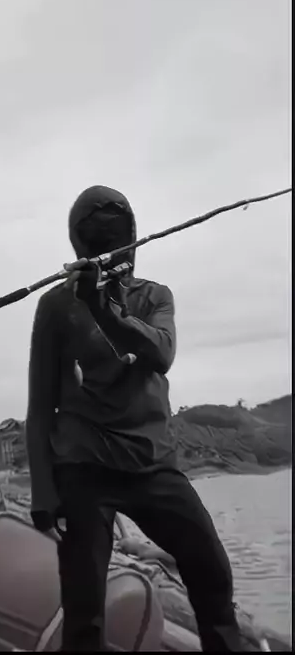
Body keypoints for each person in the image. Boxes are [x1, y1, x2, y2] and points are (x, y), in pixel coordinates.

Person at [25, 185, 252, 653]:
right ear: (79, 245)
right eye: (95, 239)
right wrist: (43, 492)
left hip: (153, 466)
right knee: (84, 606)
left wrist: (101, 306)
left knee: (211, 569)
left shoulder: (155, 296)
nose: (109, 248)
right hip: (84, 469)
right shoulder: (55, 305)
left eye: (117, 237)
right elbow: (40, 404)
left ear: (132, 240)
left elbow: (160, 354)